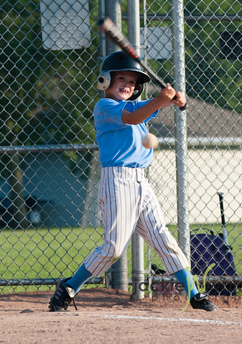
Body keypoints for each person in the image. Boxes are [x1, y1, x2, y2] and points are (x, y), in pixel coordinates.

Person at [48, 51, 218, 312]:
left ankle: (194, 294)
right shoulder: (105, 107)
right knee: (113, 248)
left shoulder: (135, 107)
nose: (128, 85)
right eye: (122, 79)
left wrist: (172, 101)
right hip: (117, 182)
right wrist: (163, 99)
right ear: (105, 81)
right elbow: (133, 117)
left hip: (141, 182)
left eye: (132, 82)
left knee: (163, 238)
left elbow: (144, 110)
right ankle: (70, 287)